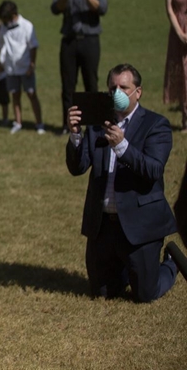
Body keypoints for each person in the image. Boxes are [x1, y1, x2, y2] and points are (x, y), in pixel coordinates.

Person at [66, 63, 179, 302]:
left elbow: (153, 169)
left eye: (123, 87)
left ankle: (170, 263)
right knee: (103, 293)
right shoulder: (98, 124)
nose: (116, 92)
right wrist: (75, 133)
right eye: (112, 87)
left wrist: (122, 146)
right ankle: (126, 267)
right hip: (104, 225)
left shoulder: (156, 125)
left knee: (145, 295)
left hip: (140, 226)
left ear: (138, 92)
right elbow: (77, 168)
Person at [52, 0, 108, 135]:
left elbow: (101, 8)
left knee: (91, 82)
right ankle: (68, 126)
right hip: (69, 41)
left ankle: (95, 123)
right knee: (68, 85)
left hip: (90, 39)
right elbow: (55, 9)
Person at [0, 0, 45, 135]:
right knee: (15, 95)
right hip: (11, 68)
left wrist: (32, 65)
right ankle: (17, 122)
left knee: (31, 94)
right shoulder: (4, 28)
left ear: (13, 14)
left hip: (25, 67)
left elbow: (33, 46)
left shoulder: (27, 26)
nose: (4, 21)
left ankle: (39, 123)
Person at [163, 0, 187, 132]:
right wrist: (179, 32)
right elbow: (170, 9)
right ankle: (185, 116)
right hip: (179, 32)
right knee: (182, 74)